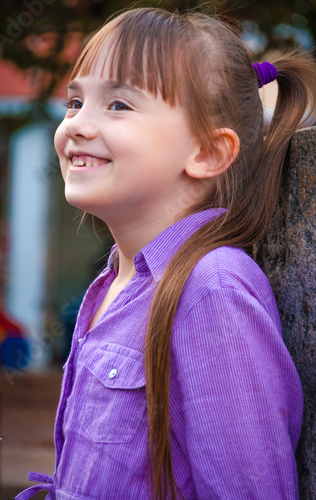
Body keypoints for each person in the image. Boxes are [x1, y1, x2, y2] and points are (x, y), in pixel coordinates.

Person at [16, 7, 316, 500]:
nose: (76, 124)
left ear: (208, 152)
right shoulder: (114, 281)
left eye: (118, 105)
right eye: (74, 102)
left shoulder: (211, 291)